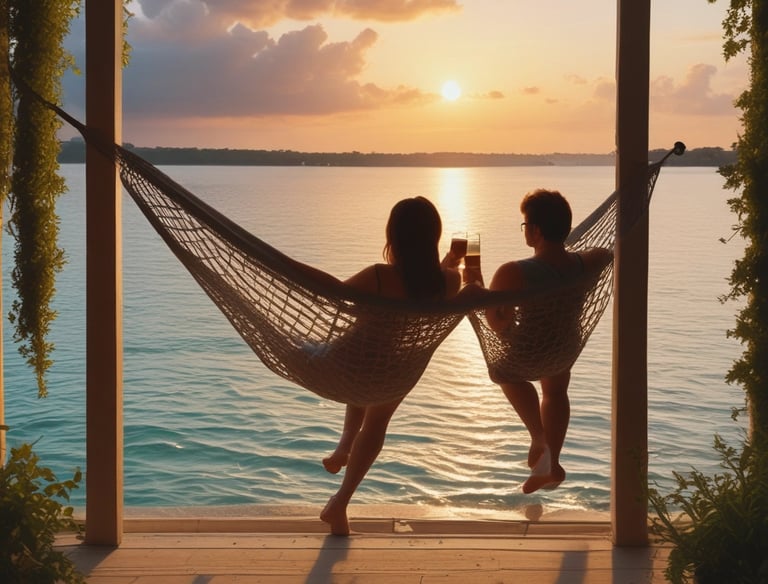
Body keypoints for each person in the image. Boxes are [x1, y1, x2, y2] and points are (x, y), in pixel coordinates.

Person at [319, 196, 462, 536]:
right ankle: (340, 501)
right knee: (377, 415)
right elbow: (431, 285)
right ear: (434, 237)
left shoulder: (378, 276)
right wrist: (453, 262)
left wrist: (284, 267)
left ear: (393, 237)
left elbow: (333, 294)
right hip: (395, 369)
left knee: (361, 379)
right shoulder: (448, 282)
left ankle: (343, 446)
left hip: (348, 360)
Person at [478, 189, 612, 494]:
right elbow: (607, 253)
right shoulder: (588, 262)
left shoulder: (513, 271)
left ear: (536, 230)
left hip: (530, 351)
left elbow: (497, 324)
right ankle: (553, 463)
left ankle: (539, 438)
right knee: (555, 391)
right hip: (564, 349)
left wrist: (477, 289)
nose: (525, 230)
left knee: (501, 372)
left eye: (526, 224)